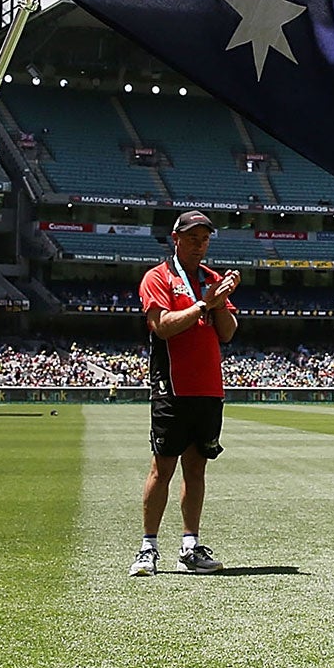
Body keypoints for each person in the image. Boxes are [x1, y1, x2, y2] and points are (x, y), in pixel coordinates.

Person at [132, 211, 239, 576]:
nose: (199, 244)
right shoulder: (158, 277)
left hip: (209, 388)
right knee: (162, 468)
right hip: (172, 386)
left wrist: (221, 301)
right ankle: (148, 547)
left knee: (197, 469)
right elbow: (162, 327)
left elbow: (227, 332)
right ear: (175, 238)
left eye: (205, 239)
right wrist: (203, 305)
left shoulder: (212, 280)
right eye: (193, 238)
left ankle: (190, 546)